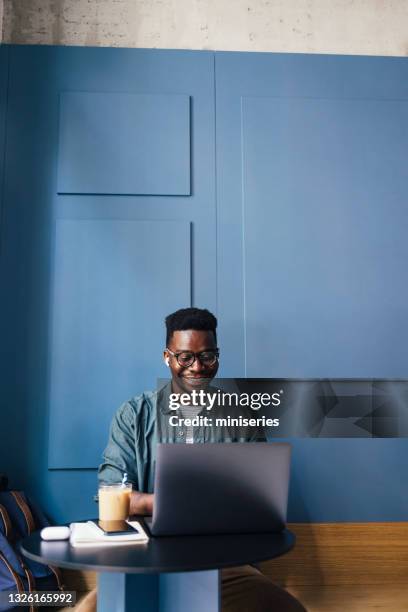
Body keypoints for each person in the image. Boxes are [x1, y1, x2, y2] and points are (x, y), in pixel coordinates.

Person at [76, 308, 305, 612]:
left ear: (217, 356)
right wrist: (169, 504)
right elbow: (111, 493)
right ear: (167, 357)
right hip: (146, 561)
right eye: (185, 357)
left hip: (226, 565)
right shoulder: (134, 415)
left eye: (207, 356)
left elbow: (259, 505)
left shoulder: (244, 418)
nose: (197, 367)